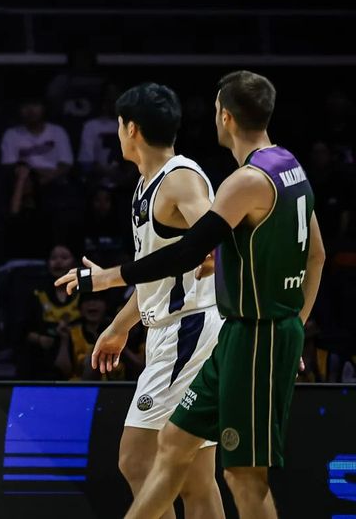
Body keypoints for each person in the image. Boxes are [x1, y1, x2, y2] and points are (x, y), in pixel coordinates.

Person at [62, 71, 327, 519]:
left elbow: (199, 250)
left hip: (211, 330)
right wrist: (120, 324)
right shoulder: (285, 165)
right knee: (192, 471)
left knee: (159, 461)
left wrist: (107, 278)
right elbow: (314, 254)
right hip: (221, 330)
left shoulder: (201, 180)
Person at [83, 82, 223, 518]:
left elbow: (220, 236)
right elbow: (157, 272)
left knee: (137, 457)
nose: (118, 132)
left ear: (132, 129)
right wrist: (120, 325)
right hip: (176, 328)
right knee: (197, 479)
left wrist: (214, 253)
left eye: (119, 125)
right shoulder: (147, 182)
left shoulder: (180, 178)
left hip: (190, 331)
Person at [19, 244, 81, 379]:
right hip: (44, 359)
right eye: (53, 258)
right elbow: (22, 331)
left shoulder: (84, 292)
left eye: (64, 257)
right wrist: (40, 339)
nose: (58, 262)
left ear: (74, 263)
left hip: (80, 357)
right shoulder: (37, 294)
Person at [58, 295, 140, 381]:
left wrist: (121, 348)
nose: (92, 304)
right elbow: (63, 371)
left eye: (97, 300)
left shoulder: (122, 330)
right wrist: (64, 341)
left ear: (106, 306)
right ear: (80, 309)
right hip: (82, 389)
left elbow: (141, 368)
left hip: (121, 388)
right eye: (87, 300)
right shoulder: (71, 332)